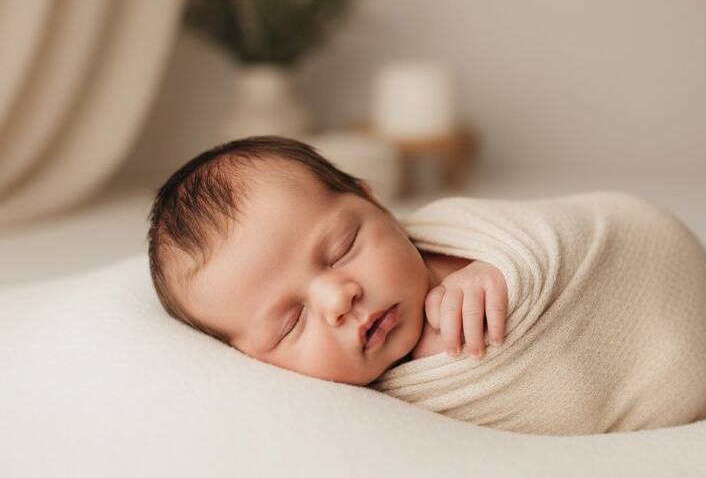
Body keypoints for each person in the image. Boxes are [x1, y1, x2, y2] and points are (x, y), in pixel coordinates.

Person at [147, 135, 507, 386]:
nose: (338, 300)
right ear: (255, 361)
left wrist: (496, 270)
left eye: (341, 250)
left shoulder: (466, 239)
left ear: (375, 204)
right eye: (291, 323)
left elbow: (556, 233)